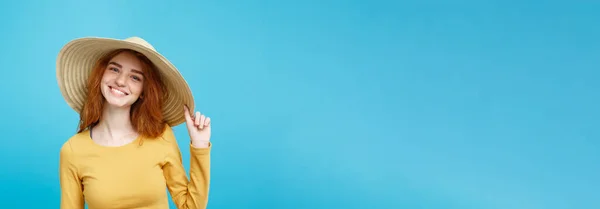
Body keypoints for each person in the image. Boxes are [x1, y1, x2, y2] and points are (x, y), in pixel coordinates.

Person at [56, 36, 212, 209]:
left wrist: (200, 145)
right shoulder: (73, 151)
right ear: (101, 75)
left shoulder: (161, 136)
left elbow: (191, 207)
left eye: (135, 78)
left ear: (143, 91)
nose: (121, 81)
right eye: (114, 69)